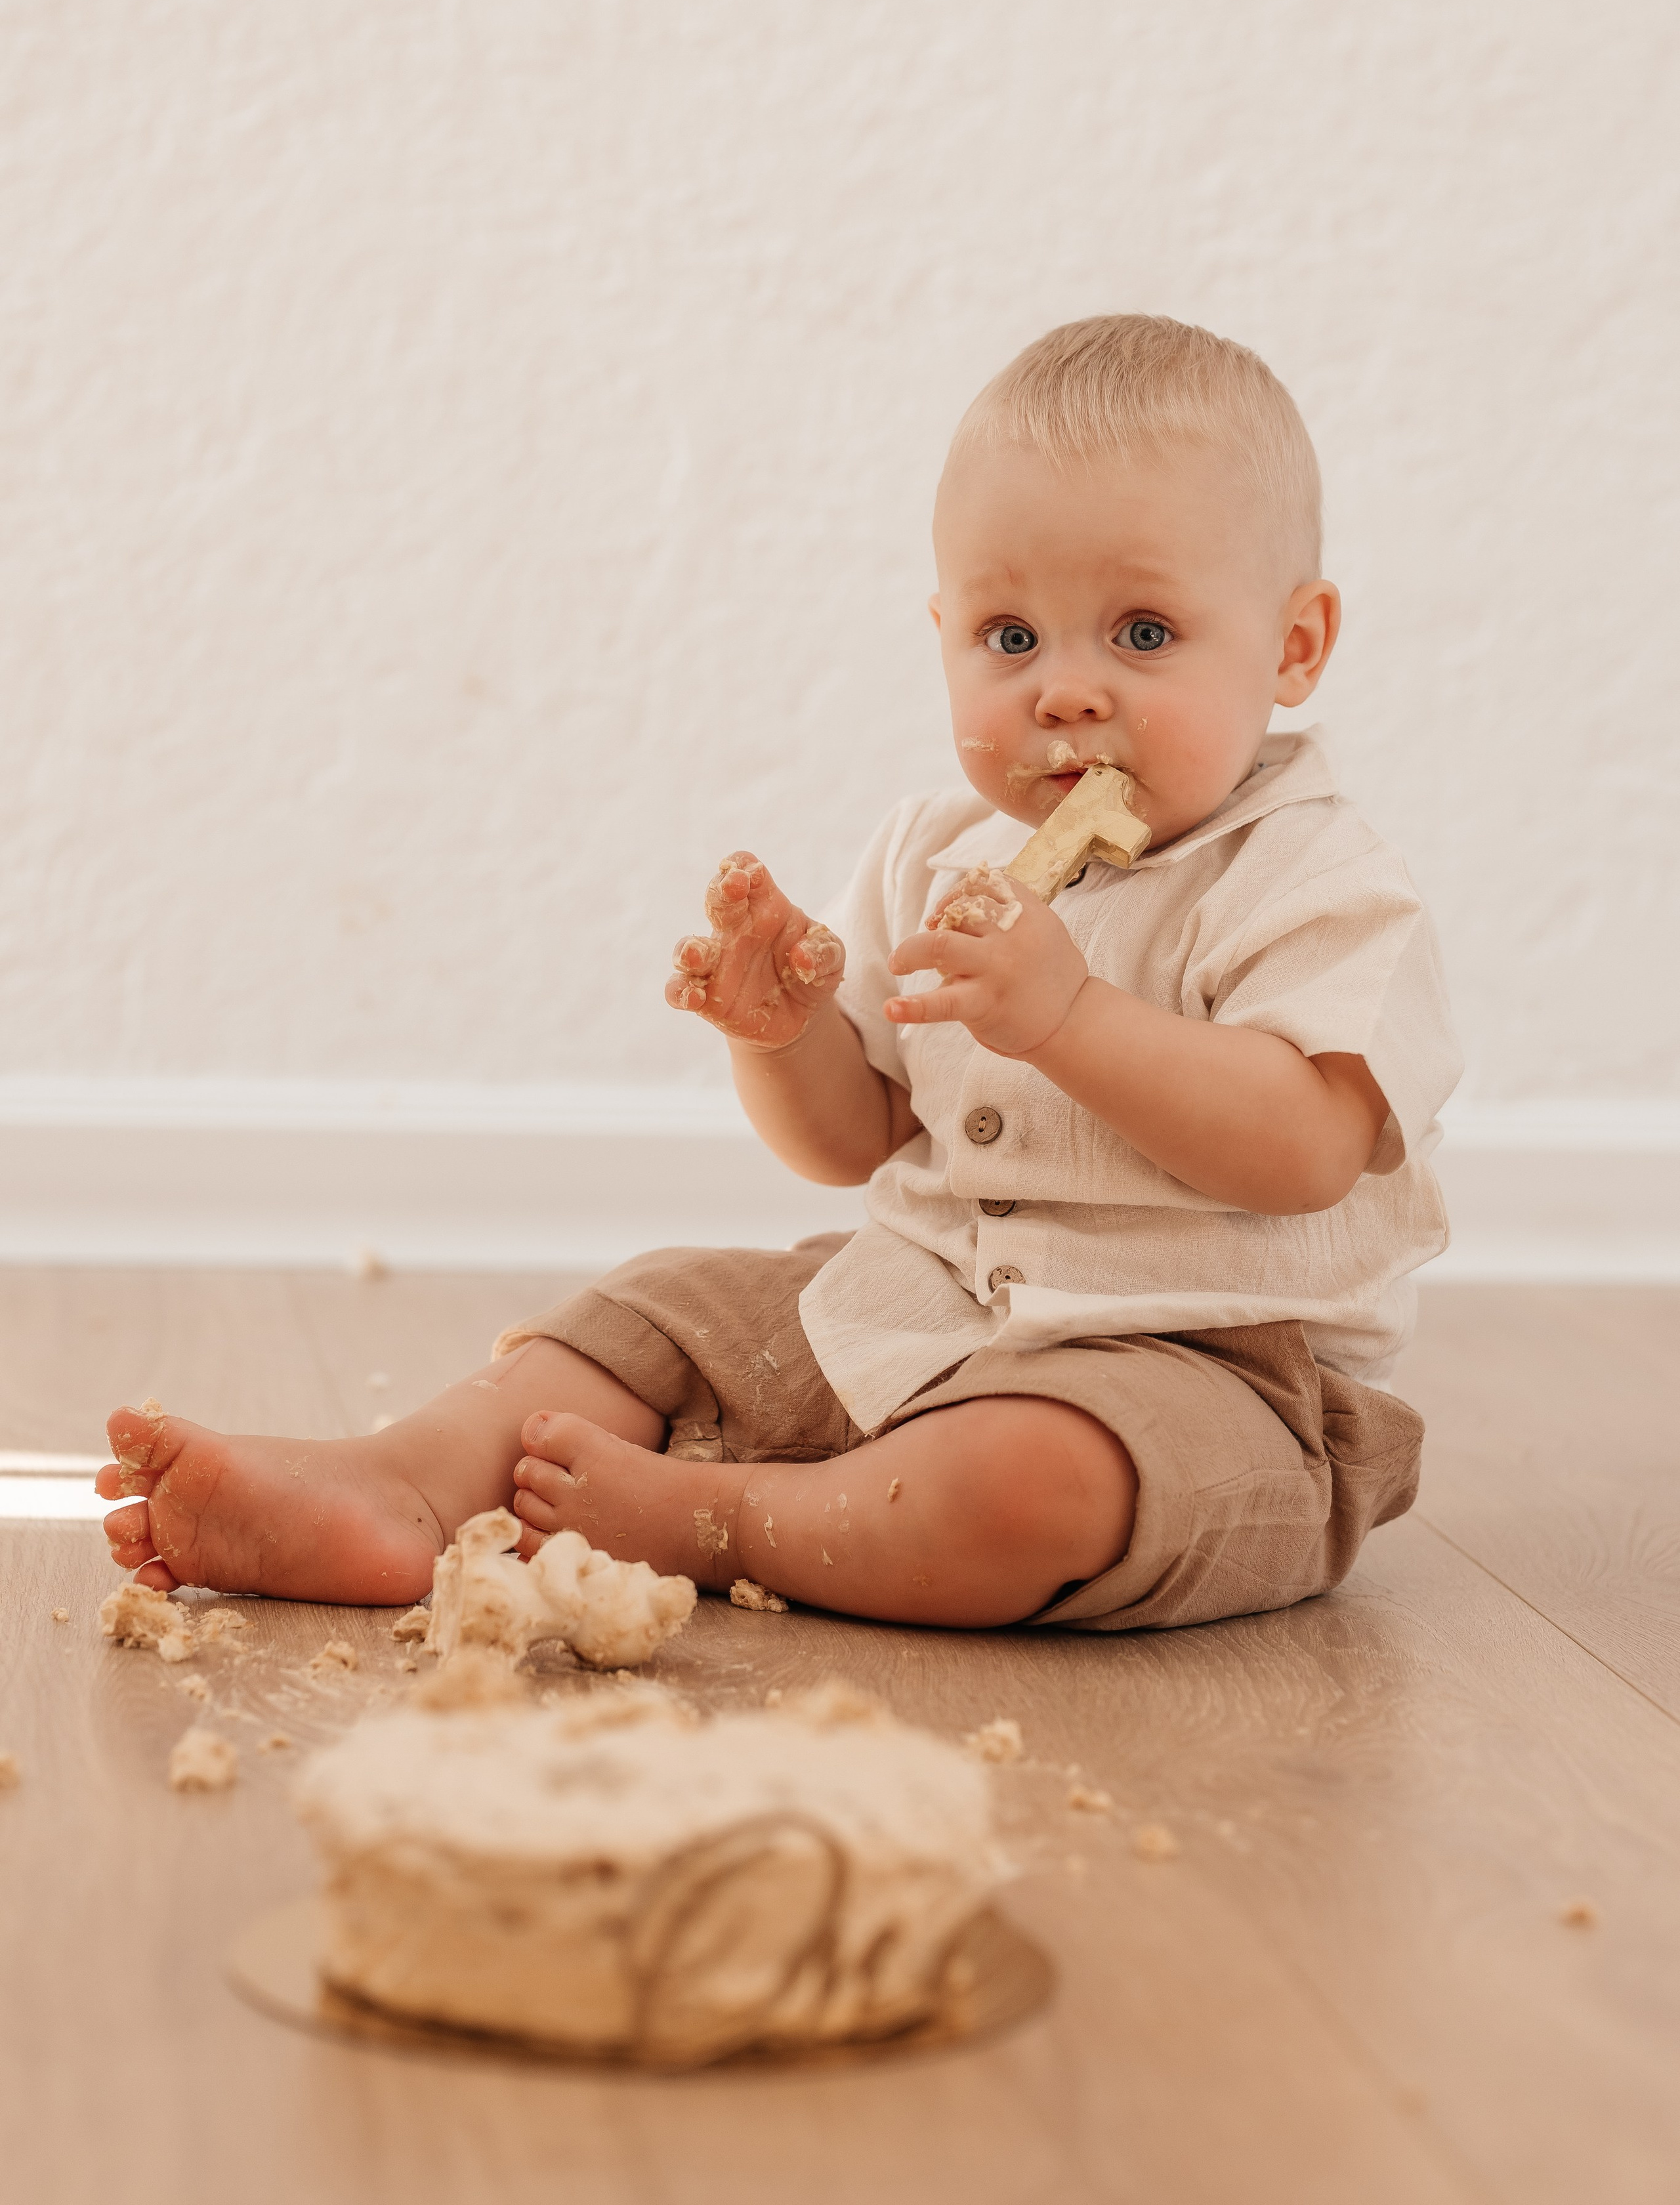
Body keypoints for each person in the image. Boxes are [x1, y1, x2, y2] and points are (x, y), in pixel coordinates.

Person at [98, 314, 1459, 1632]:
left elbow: (1304, 1147)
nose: (1063, 691)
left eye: (1143, 634)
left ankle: (725, 1518)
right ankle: (396, 1483)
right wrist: (782, 1031)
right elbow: (851, 1139)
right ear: (941, 629)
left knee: (1026, 1485)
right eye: (1008, 637)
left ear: (1292, 645)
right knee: (654, 1312)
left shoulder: (1315, 879)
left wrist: (1070, 1017)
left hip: (1209, 1367)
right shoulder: (941, 857)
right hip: (935, 1290)